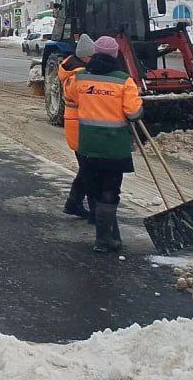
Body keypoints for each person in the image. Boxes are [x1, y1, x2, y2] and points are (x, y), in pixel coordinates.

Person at [64, 35, 143, 253]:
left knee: (95, 189)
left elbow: (73, 99)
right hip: (114, 146)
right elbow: (133, 112)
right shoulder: (124, 81)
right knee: (110, 190)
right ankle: (104, 239)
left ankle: (106, 238)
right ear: (115, 55)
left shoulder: (80, 79)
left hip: (88, 145)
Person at [59, 34, 95, 222]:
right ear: (85, 56)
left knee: (87, 169)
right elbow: (91, 101)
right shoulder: (79, 78)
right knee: (90, 170)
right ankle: (92, 210)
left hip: (76, 126)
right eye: (92, 56)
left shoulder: (73, 72)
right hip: (81, 127)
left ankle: (74, 202)